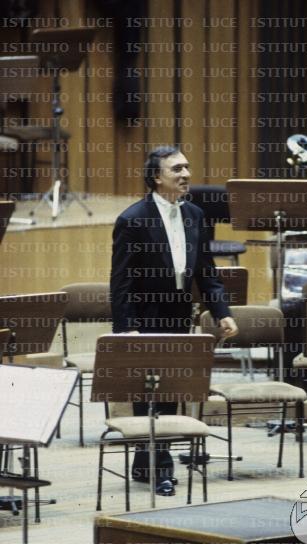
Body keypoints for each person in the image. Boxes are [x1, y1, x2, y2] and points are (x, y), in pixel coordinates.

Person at [110, 145, 238, 496]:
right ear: (156, 177)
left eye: (187, 167)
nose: (185, 175)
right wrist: (126, 330)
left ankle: (144, 461)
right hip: (145, 318)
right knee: (150, 394)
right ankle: (161, 469)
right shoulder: (132, 220)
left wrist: (222, 312)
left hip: (178, 316)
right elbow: (120, 281)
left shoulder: (196, 215)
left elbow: (206, 272)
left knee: (169, 392)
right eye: (176, 169)